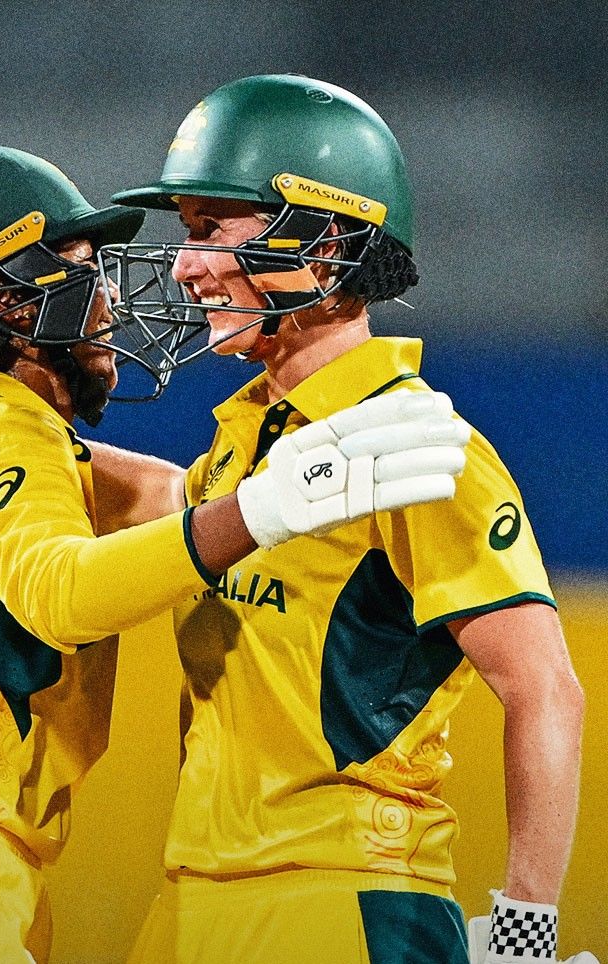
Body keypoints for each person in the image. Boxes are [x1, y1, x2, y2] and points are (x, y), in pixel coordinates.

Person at [0, 143, 471, 964]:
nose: (112, 300)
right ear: (6, 299)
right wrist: (265, 507)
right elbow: (65, 593)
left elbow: (167, 502)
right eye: (82, 270)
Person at [100, 74, 594, 963]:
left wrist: (527, 928)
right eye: (184, 232)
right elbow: (177, 507)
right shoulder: (254, 429)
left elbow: (544, 687)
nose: (182, 264)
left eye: (211, 228)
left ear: (322, 242)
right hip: (194, 897)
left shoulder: (423, 449)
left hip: (343, 906)